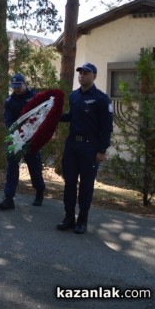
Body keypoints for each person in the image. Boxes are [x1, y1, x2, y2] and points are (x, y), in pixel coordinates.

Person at [57, 63, 113, 234]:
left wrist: (102, 150)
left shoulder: (101, 99)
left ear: (94, 76)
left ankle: (82, 220)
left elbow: (107, 127)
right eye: (80, 73)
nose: (82, 75)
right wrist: (53, 116)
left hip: (90, 148)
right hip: (72, 145)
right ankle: (68, 218)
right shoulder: (74, 96)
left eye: (86, 73)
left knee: (86, 185)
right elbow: (70, 117)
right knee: (69, 183)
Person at [0, 73, 46, 210]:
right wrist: (16, 133)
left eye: (19, 86)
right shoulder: (9, 100)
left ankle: (39, 190)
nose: (16, 89)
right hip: (16, 138)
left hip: (32, 138)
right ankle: (8, 198)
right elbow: (8, 120)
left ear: (25, 84)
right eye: (14, 87)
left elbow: (41, 115)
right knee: (11, 168)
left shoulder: (35, 97)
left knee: (34, 168)